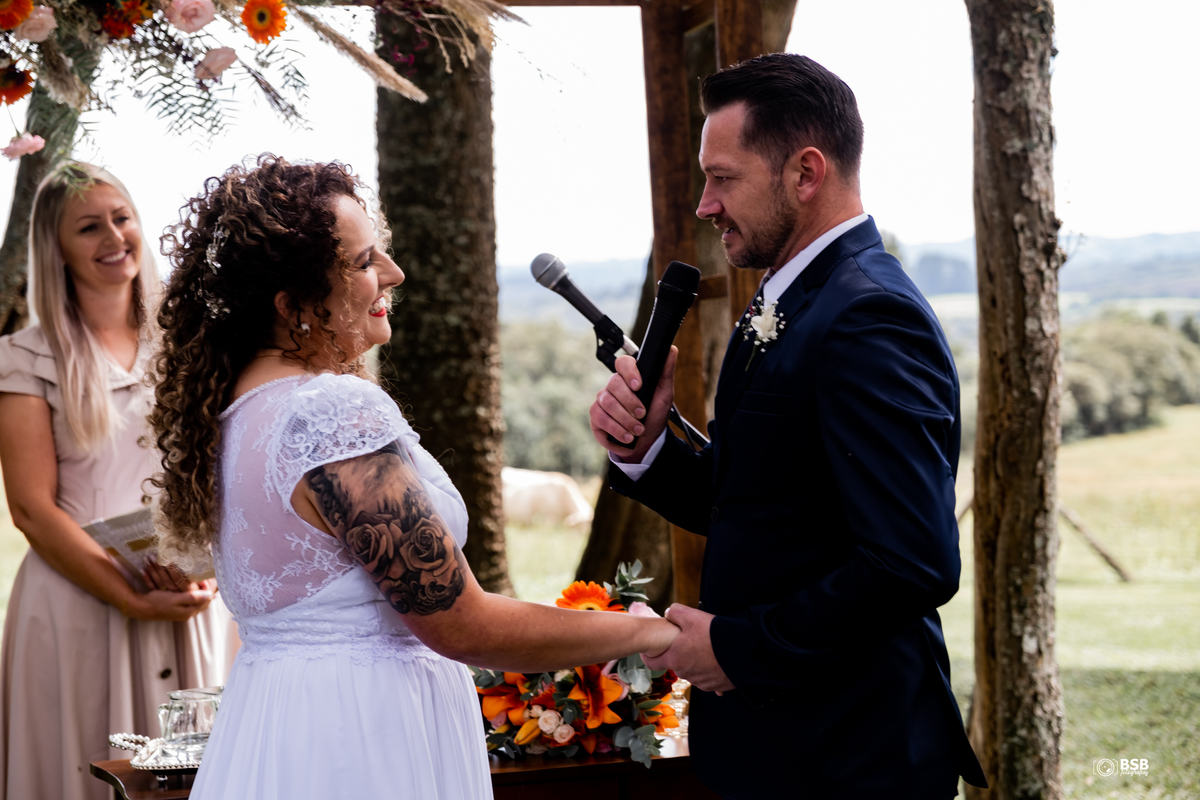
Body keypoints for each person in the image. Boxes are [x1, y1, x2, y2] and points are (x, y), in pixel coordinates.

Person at [147, 156, 678, 799]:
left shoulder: (234, 414)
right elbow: (461, 623)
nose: (393, 273)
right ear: (294, 305)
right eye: (363, 262)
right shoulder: (326, 414)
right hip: (362, 736)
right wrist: (646, 630)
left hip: (276, 726)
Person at [589, 54, 987, 798]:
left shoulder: (870, 316)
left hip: (849, 756)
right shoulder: (788, 297)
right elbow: (763, 501)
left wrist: (736, 649)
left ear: (805, 173)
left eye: (723, 177)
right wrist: (648, 452)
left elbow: (913, 564)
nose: (706, 205)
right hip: (778, 748)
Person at [0, 163, 237, 800]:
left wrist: (208, 570)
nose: (113, 236)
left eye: (121, 217)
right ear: (56, 248)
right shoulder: (23, 358)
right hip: (77, 602)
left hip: (191, 596)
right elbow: (30, 507)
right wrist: (126, 595)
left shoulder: (192, 343)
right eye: (88, 227)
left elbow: (226, 466)